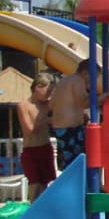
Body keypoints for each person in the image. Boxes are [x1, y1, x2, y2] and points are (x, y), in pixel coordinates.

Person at [16, 72, 57, 201]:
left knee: (45, 183)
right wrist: (47, 119)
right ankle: (33, 208)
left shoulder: (48, 104)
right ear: (38, 87)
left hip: (45, 147)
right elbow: (29, 130)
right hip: (31, 149)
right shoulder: (24, 106)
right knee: (35, 184)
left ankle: (44, 209)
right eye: (48, 91)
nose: (49, 94)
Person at [50, 58, 95, 169]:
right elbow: (83, 103)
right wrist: (103, 97)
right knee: (77, 162)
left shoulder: (63, 81)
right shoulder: (78, 80)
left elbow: (51, 104)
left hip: (60, 128)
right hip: (71, 128)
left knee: (68, 162)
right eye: (92, 78)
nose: (91, 82)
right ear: (85, 73)